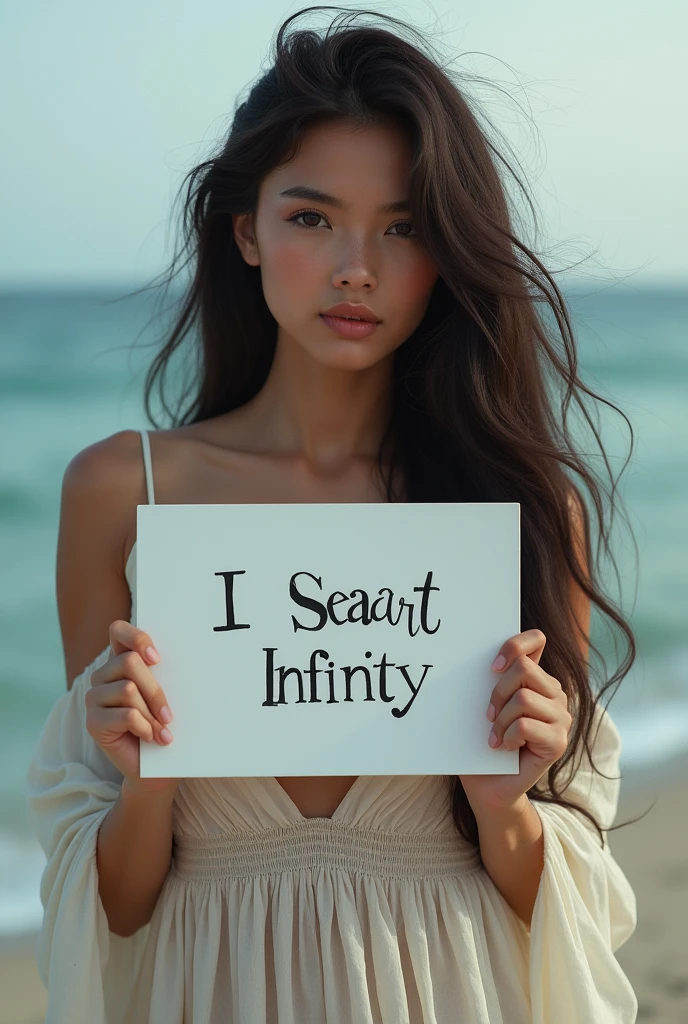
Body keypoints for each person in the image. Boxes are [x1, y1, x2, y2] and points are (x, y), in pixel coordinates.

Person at [26, 7, 640, 1023]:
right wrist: (146, 782)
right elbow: (119, 911)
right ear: (246, 232)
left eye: (402, 227)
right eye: (311, 217)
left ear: (445, 253)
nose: (357, 265)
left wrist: (507, 807)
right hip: (211, 985)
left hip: (453, 983)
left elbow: (563, 914)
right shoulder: (122, 493)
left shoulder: (522, 509)